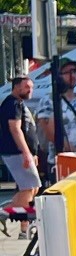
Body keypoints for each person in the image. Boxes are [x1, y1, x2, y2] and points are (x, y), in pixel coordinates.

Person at [36, 58, 76, 165]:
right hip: (61, 161)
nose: (73, 76)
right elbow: (50, 132)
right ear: (57, 76)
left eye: (75, 72)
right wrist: (75, 152)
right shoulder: (48, 101)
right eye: (67, 72)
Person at [1, 77, 41, 214]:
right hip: (16, 151)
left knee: (33, 188)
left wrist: (32, 152)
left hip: (20, 152)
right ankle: (25, 225)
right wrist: (26, 153)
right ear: (17, 87)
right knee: (29, 188)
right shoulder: (13, 104)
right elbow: (15, 129)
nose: (30, 91)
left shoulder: (18, 103)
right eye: (27, 87)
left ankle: (5, 212)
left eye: (32, 87)